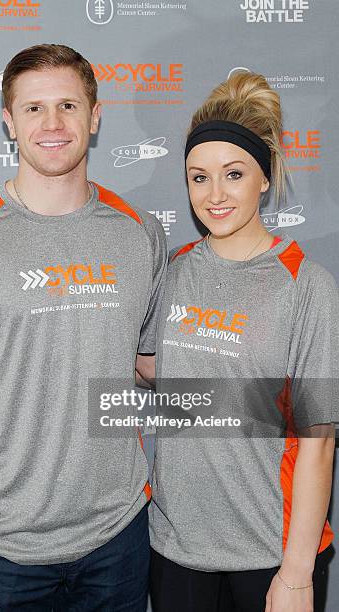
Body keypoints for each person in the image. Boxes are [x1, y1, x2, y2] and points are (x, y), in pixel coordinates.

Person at [0, 44, 167, 612]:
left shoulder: (140, 233)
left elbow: (153, 367)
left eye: (68, 104)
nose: (53, 123)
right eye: (33, 109)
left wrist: (267, 396)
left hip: (119, 534)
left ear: (95, 114)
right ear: (9, 122)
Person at [145, 72, 338, 612]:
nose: (215, 195)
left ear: (265, 178)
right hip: (175, 548)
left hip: (270, 556)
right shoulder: (174, 271)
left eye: (233, 174)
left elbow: (319, 441)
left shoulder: (307, 285)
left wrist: (297, 572)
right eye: (199, 177)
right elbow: (154, 368)